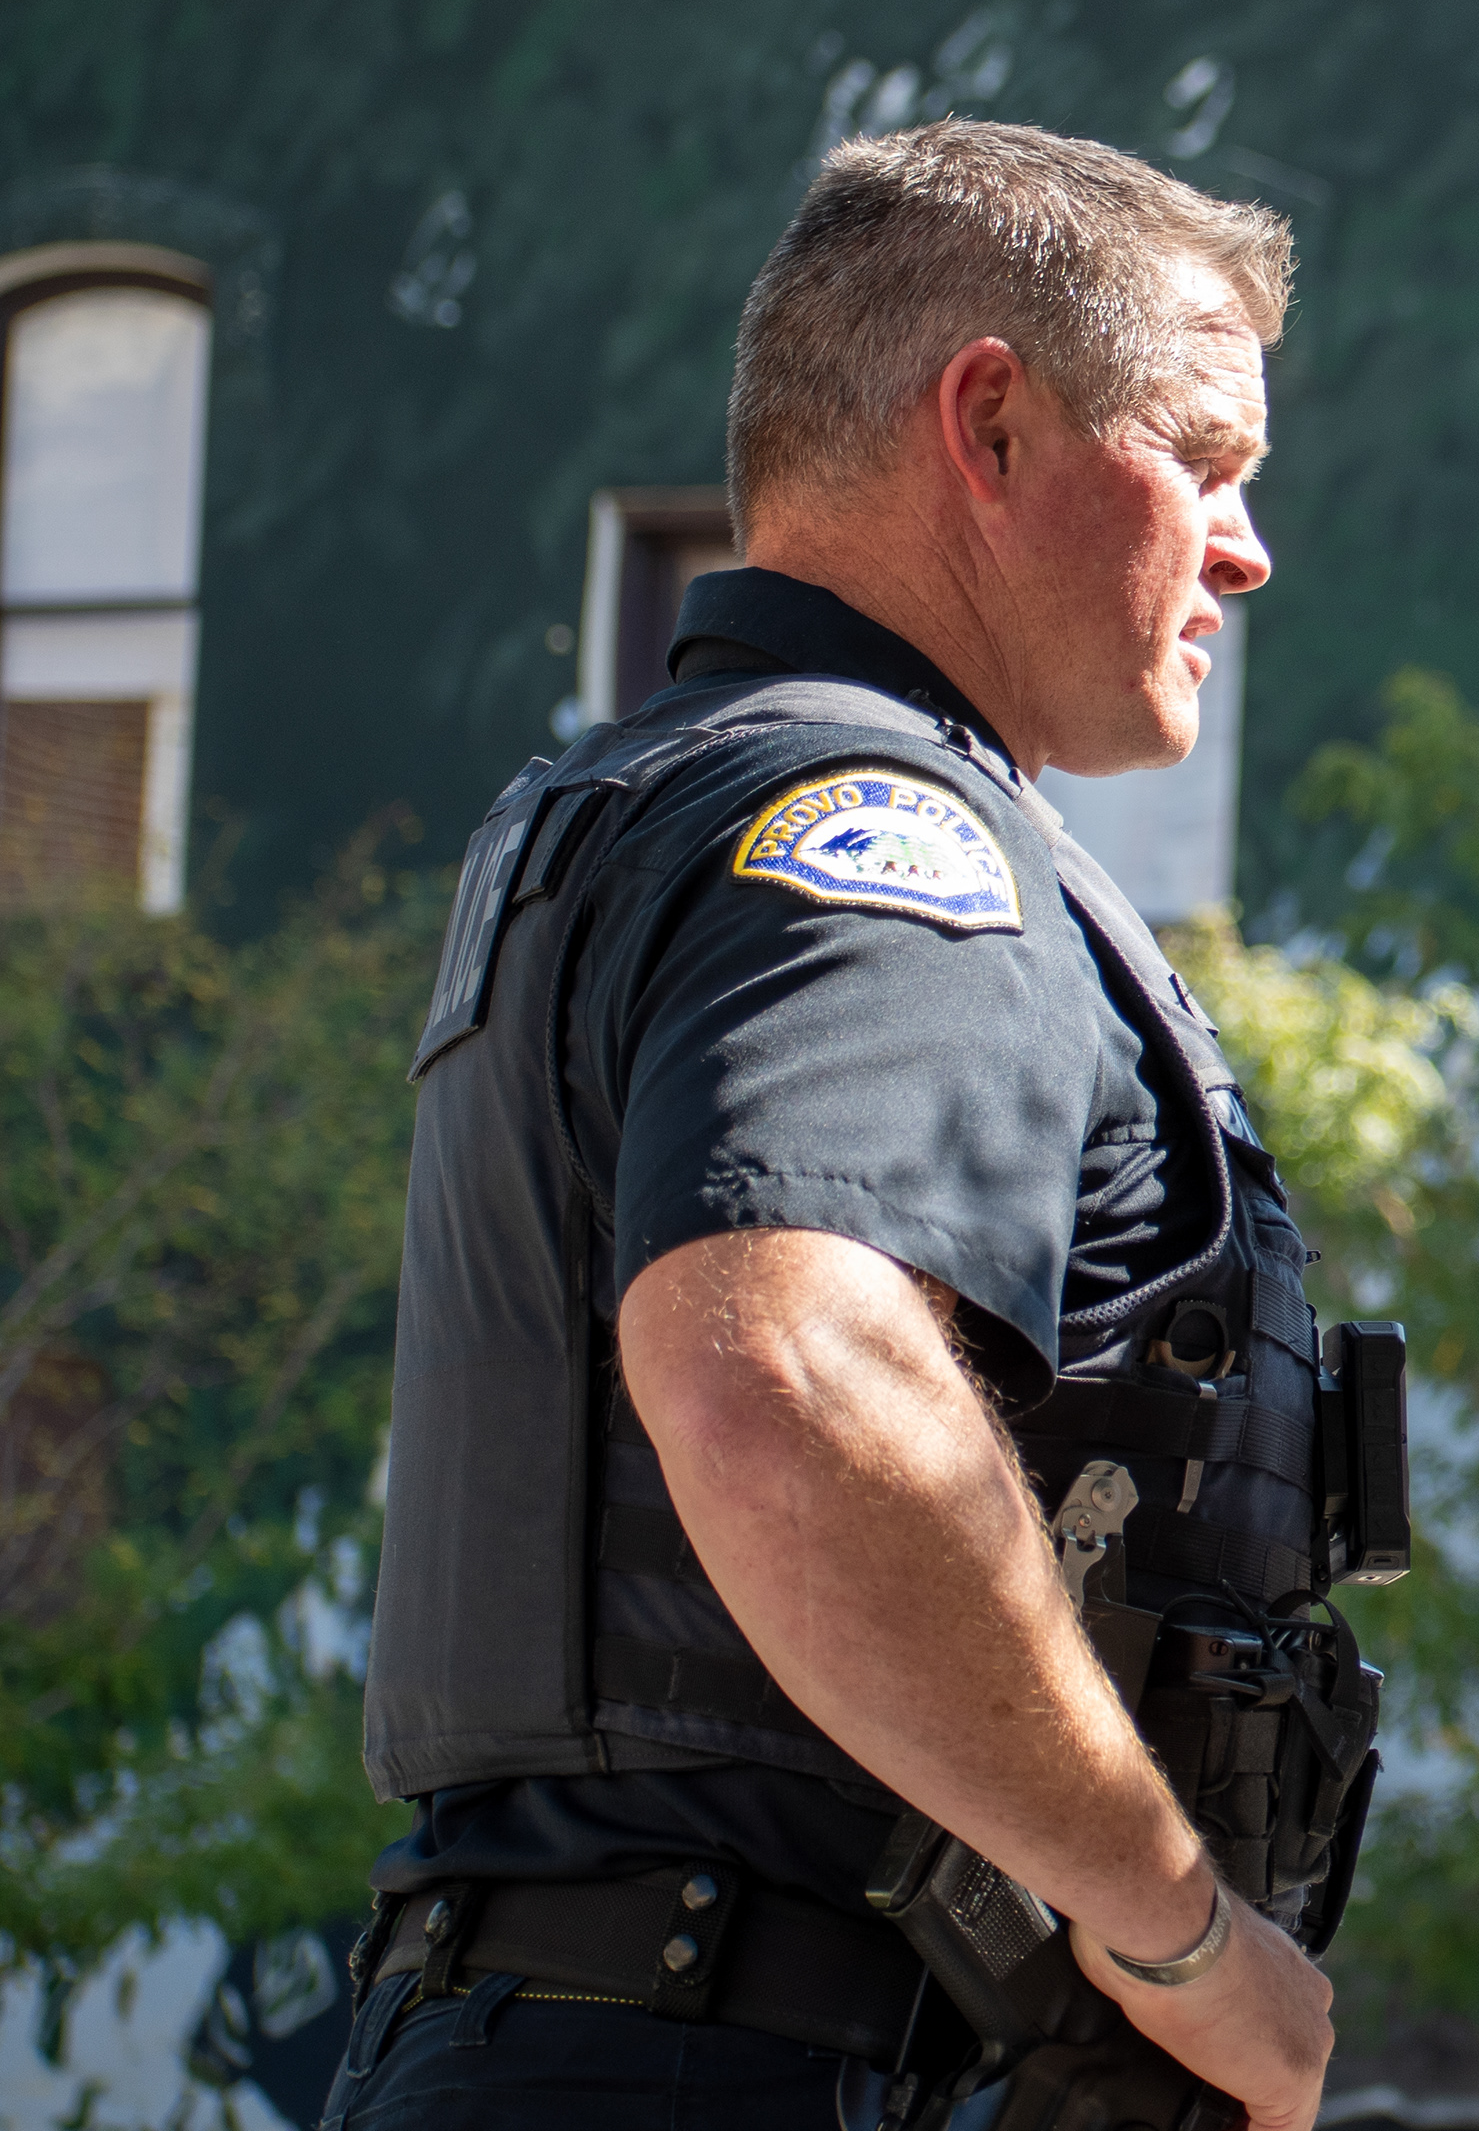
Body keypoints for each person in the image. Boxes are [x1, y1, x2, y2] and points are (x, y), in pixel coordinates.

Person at [328, 123, 1390, 2131]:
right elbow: (788, 1374)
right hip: (763, 2059)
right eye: (1205, 457)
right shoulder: (889, 835)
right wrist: (1179, 1935)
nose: (1247, 550)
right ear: (987, 420)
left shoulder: (635, 801)